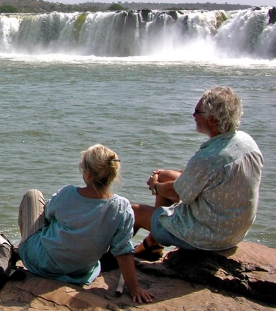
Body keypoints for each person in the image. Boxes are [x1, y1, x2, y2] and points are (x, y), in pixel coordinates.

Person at [132, 86, 263, 261]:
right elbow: (206, 175)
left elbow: (178, 193)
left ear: (212, 120)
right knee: (167, 176)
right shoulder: (246, 142)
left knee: (133, 212)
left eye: (197, 111)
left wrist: (155, 186)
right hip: (234, 231)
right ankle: (152, 244)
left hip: (207, 237)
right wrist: (163, 176)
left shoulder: (208, 158)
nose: (193, 115)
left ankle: (111, 258)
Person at [18, 144, 154, 303]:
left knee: (33, 195)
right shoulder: (122, 208)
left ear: (88, 175)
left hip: (42, 263)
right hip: (80, 272)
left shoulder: (68, 194)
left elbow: (47, 215)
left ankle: (24, 249)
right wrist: (134, 288)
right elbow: (123, 250)